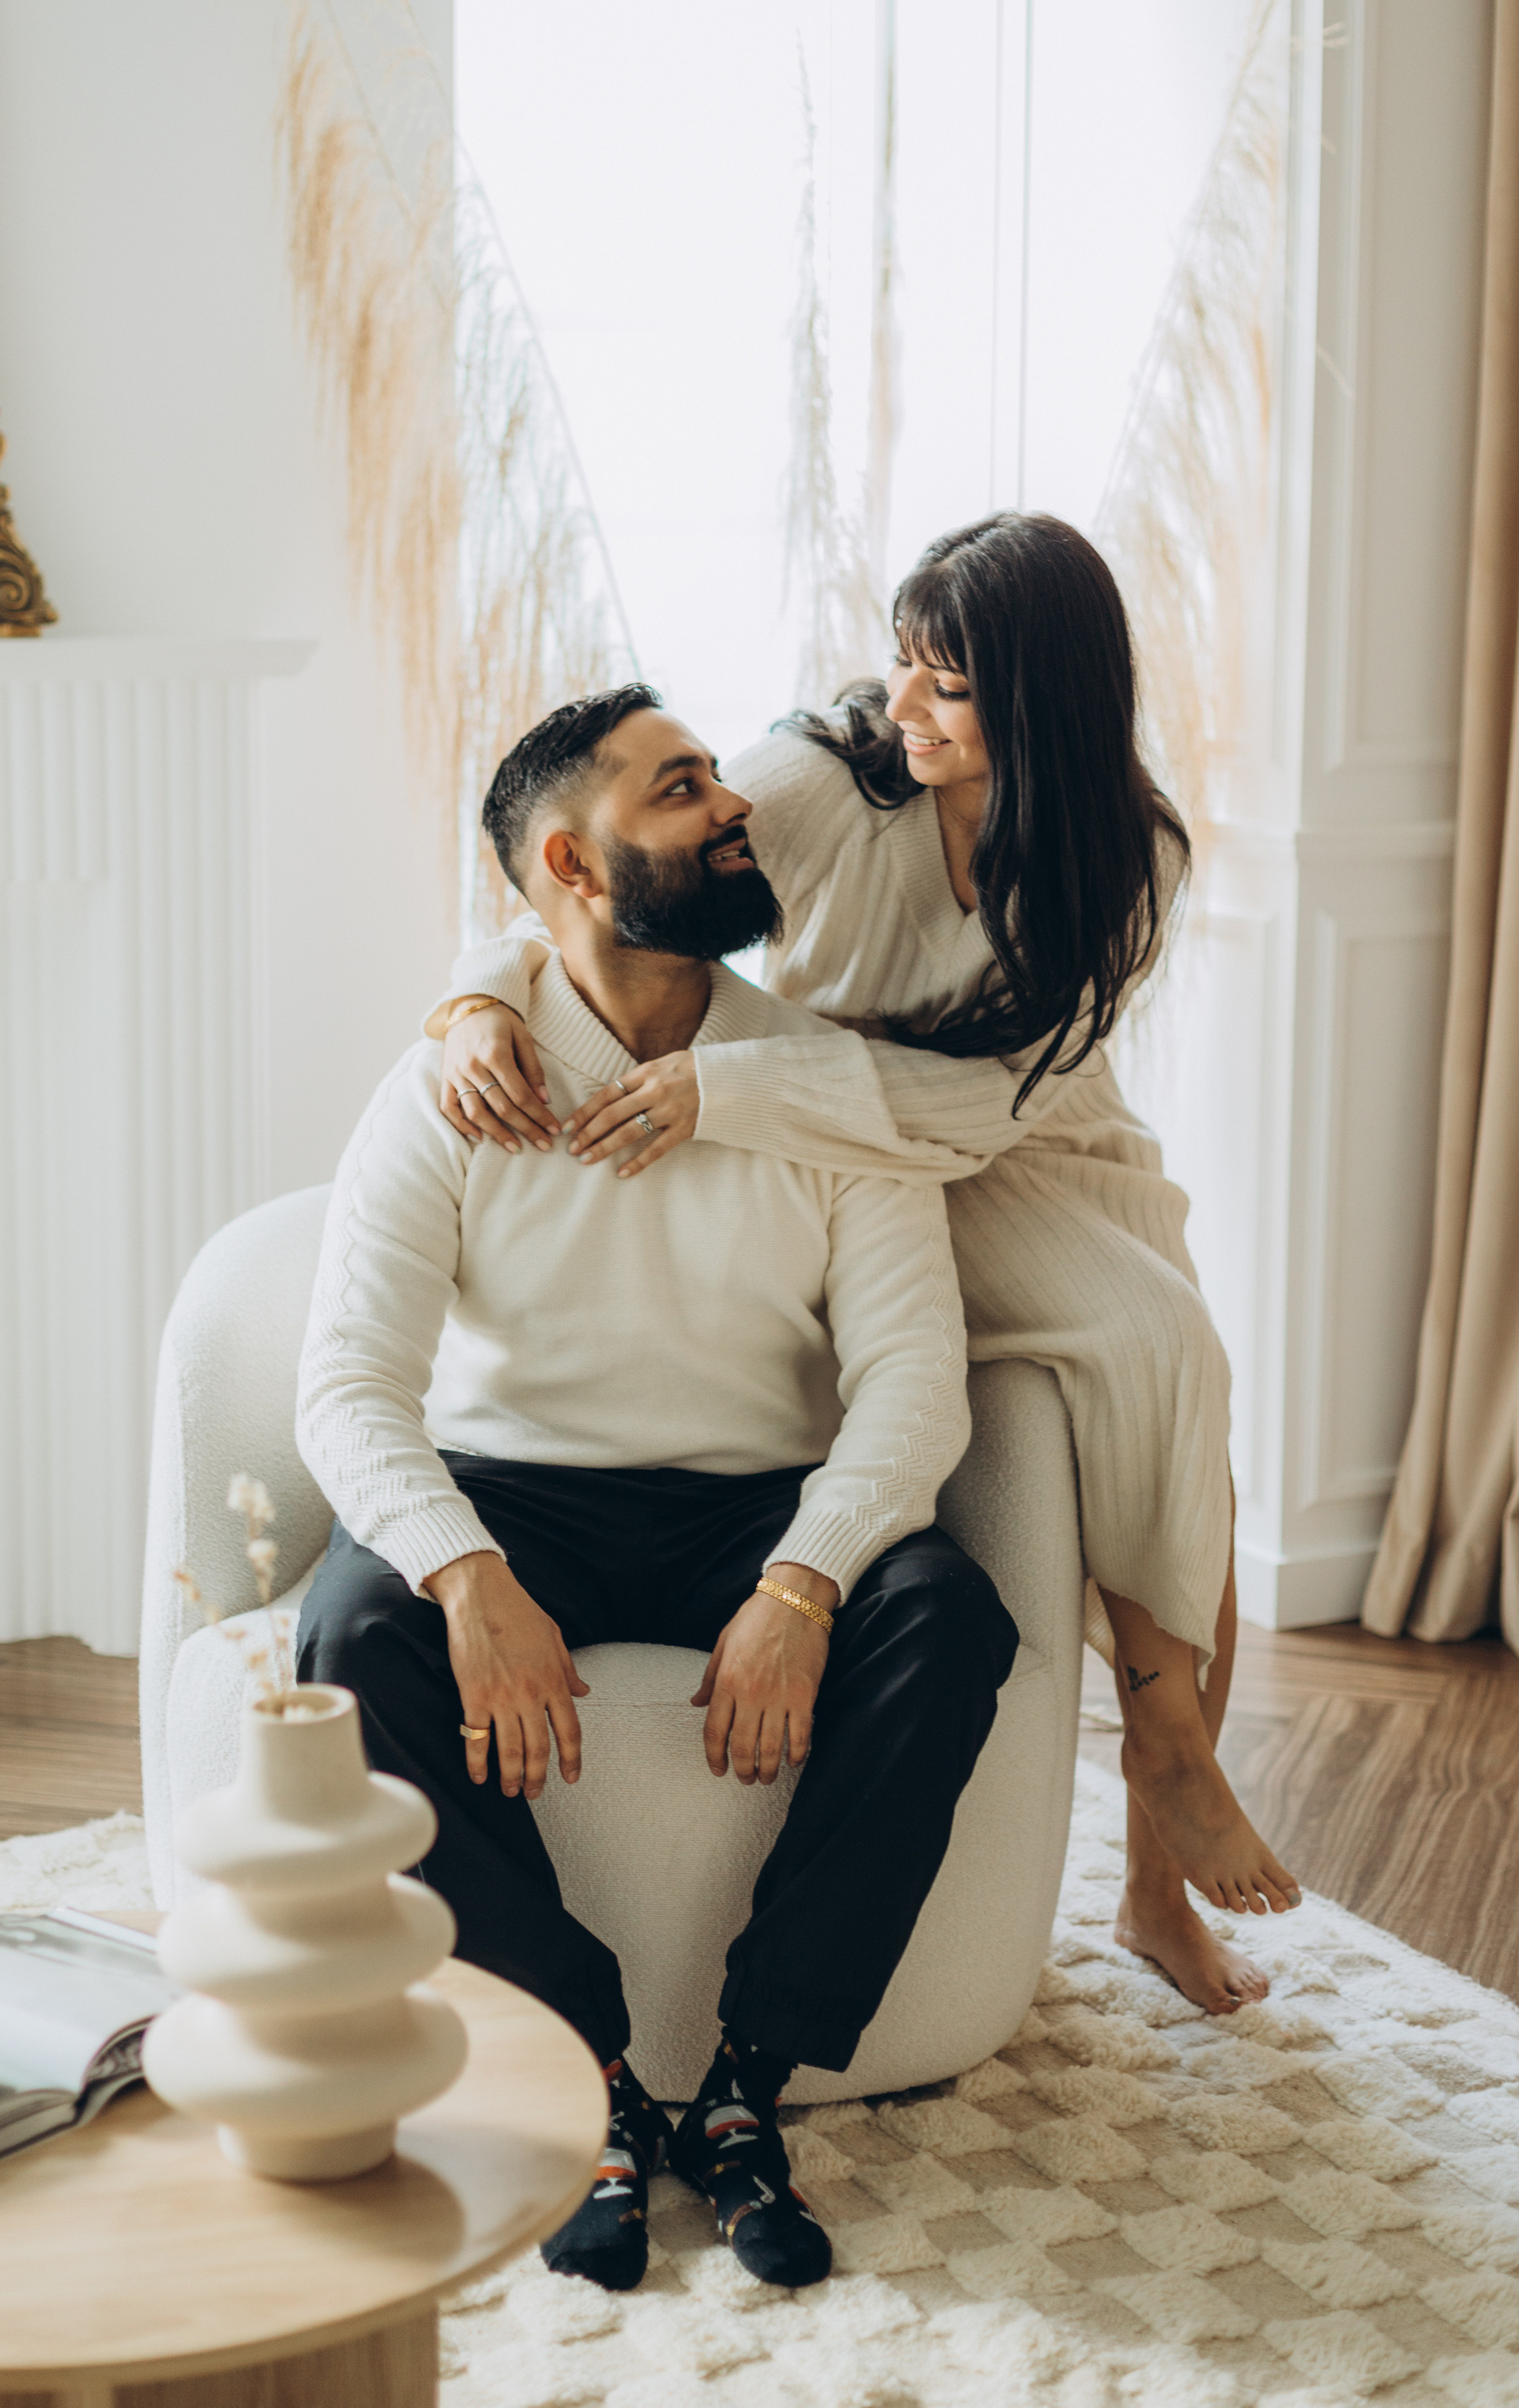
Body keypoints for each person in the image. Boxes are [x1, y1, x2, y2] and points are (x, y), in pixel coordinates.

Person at [432, 512, 1302, 2019]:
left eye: (943, 684)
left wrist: (743, 1092)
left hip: (1028, 1142)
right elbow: (589, 875)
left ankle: (1156, 1854)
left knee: (1179, 1389)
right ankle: (1168, 1754)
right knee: (1158, 1351)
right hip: (839, 1140)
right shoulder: (830, 779)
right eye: (900, 662)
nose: (899, 704)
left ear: (1037, 704)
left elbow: (1001, 1103)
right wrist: (468, 1002)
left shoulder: (1128, 849)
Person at [295, 683, 1018, 2295]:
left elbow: (912, 1384)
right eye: (680, 790)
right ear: (571, 859)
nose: (732, 809)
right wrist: (463, 1578)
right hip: (516, 1492)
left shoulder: (819, 1080)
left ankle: (748, 2083)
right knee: (349, 1642)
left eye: (715, 779)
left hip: (754, 1504)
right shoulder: (451, 1084)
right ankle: (591, 2082)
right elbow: (344, 1384)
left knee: (949, 1616)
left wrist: (804, 1580)